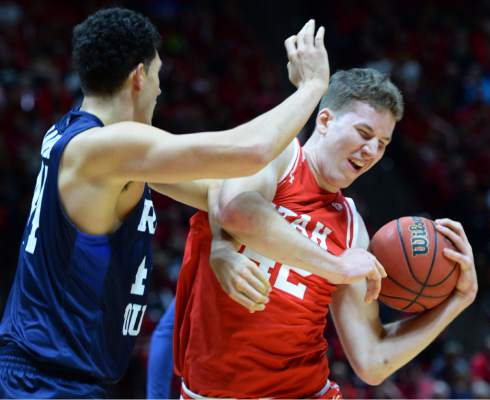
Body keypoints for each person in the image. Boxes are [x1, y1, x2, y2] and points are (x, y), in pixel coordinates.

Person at [0, 8, 364, 398]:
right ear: (139, 76)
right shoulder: (106, 147)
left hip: (60, 374)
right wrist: (312, 88)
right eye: (158, 75)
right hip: (46, 379)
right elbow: (252, 150)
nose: (159, 90)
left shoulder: (91, 142)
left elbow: (219, 193)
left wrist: (222, 248)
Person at [167, 68, 478, 398]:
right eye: (364, 132)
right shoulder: (278, 156)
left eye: (382, 143)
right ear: (326, 121)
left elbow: (372, 360)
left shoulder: (353, 228)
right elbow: (235, 210)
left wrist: (459, 300)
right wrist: (223, 244)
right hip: (211, 390)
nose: (372, 150)